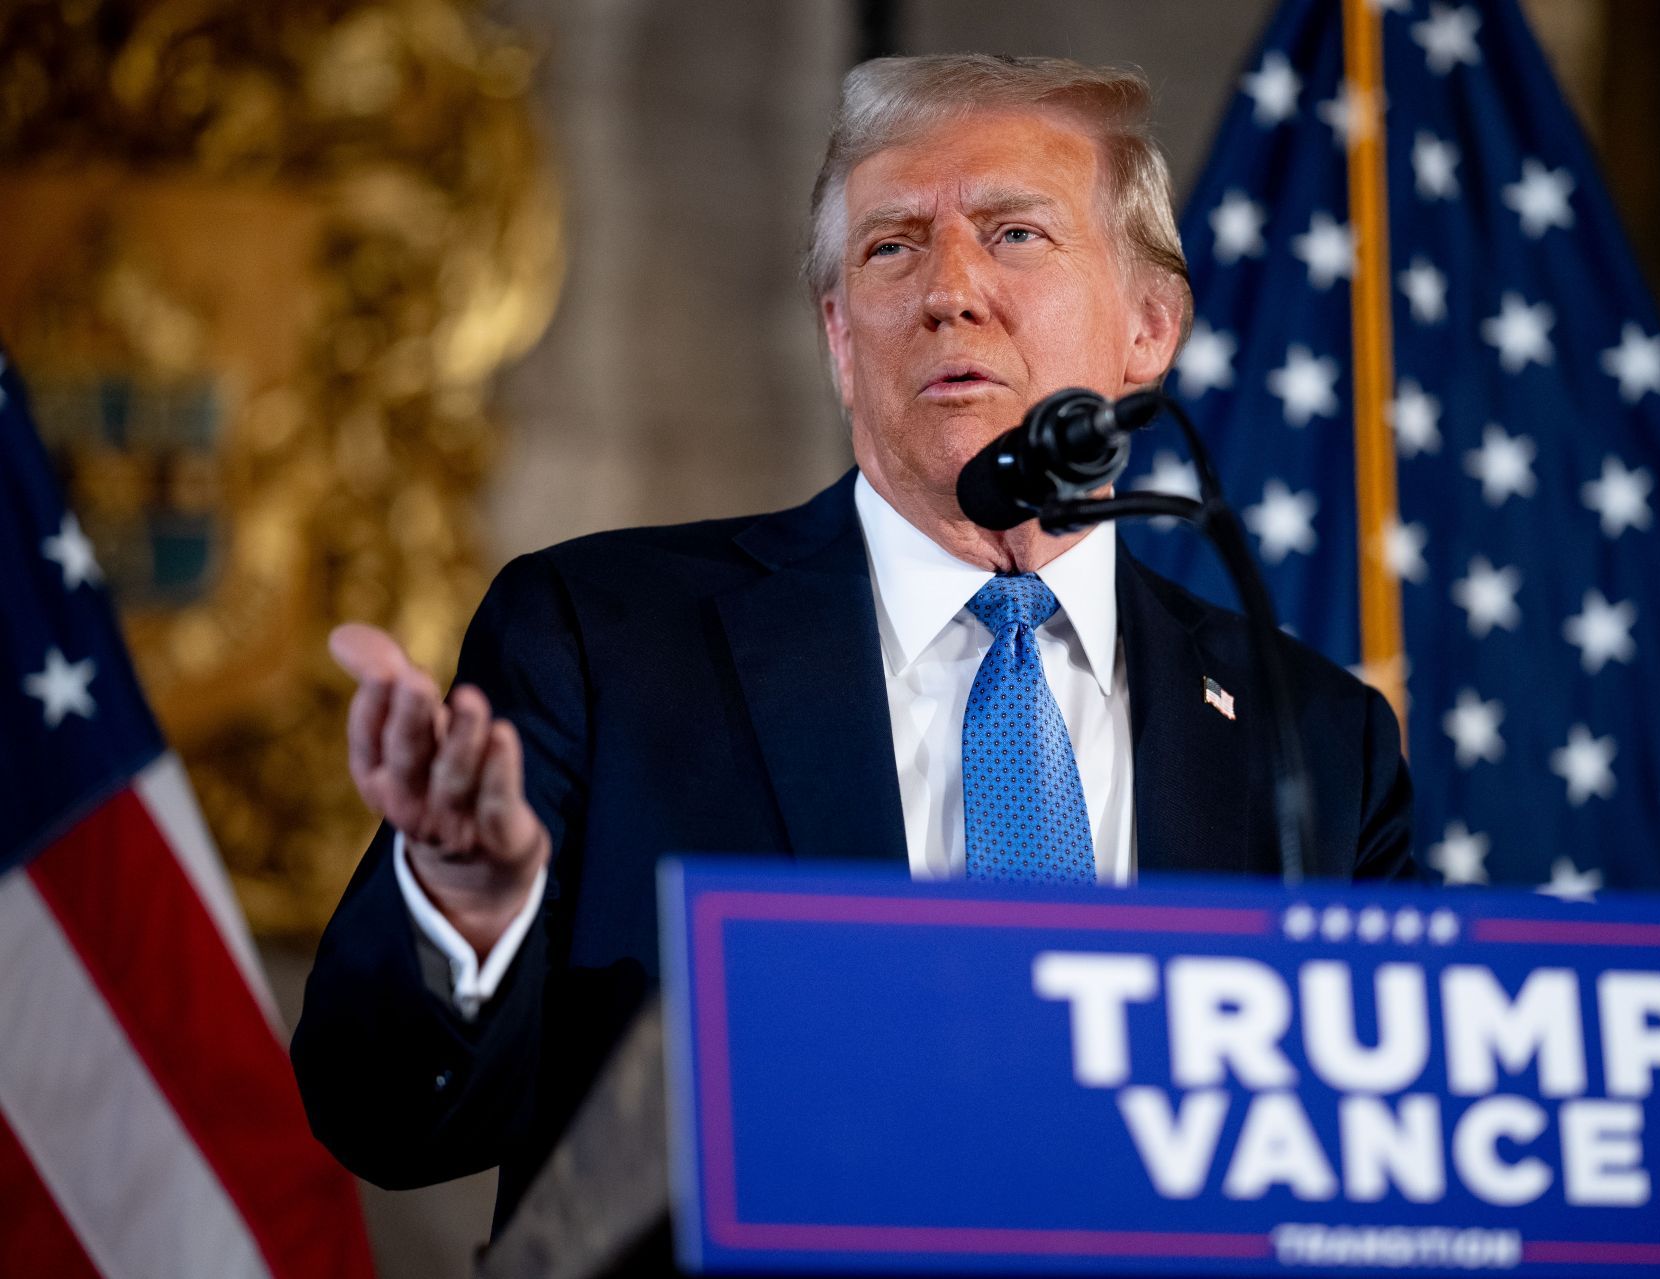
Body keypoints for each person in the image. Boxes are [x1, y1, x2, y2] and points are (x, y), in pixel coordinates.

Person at [292, 53, 1415, 1233]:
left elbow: (1383, 1168)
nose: (949, 290)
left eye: (1015, 234)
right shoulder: (601, 640)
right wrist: (465, 909)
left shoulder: (1319, 740)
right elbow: (384, 1118)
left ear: (1150, 328)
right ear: (838, 335)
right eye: (891, 247)